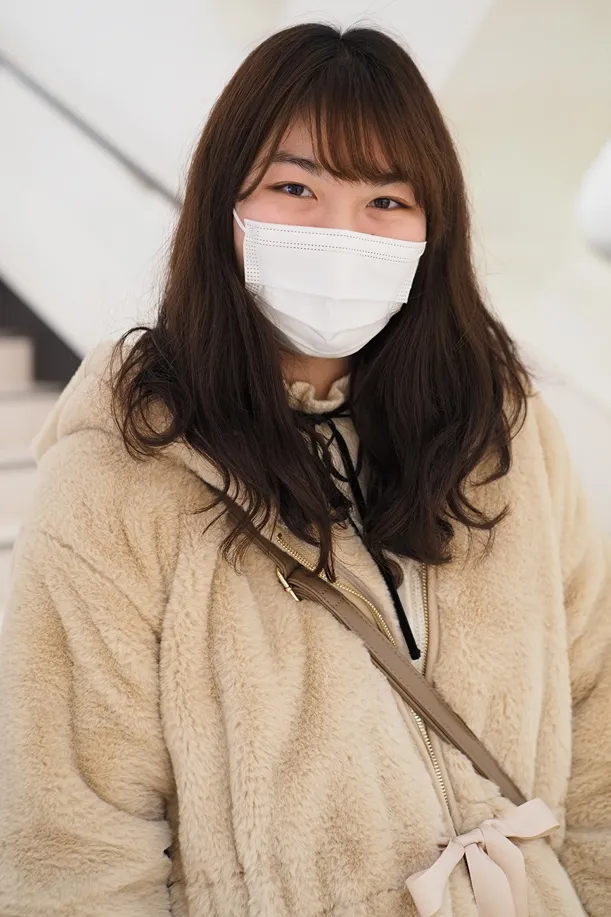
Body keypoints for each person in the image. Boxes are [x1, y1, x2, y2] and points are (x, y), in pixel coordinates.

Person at [0, 22, 609, 917]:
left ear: (433, 229)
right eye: (295, 187)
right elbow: (73, 848)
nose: (340, 232)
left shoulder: (501, 439)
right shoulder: (115, 478)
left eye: (386, 200)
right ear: (226, 206)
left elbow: (597, 713)